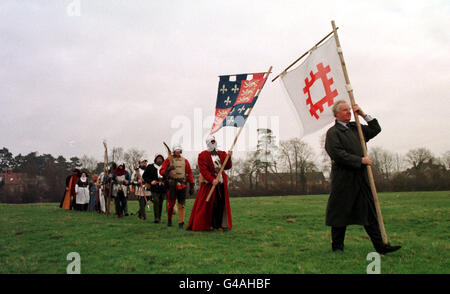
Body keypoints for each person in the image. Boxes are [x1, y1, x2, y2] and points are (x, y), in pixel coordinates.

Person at [324, 100, 401, 254]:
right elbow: (337, 154)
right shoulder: (333, 133)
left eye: (349, 110)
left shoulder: (356, 128)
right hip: (344, 180)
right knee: (340, 213)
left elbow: (375, 129)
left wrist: (363, 114)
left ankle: (381, 247)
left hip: (362, 179)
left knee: (370, 212)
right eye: (345, 110)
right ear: (337, 114)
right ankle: (337, 248)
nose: (349, 112)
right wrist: (360, 160)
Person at [186, 136, 233, 231]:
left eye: (214, 141)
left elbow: (227, 166)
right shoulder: (203, 155)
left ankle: (219, 225)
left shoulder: (222, 153)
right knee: (211, 204)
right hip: (209, 184)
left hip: (220, 183)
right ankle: (211, 224)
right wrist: (212, 180)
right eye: (211, 142)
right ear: (208, 143)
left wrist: (229, 157)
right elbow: (204, 170)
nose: (213, 143)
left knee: (220, 204)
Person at [160, 144, 194, 228]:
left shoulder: (185, 161)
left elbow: (189, 172)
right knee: (171, 204)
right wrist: (168, 169)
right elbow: (161, 171)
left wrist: (192, 184)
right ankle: (169, 219)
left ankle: (181, 222)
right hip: (171, 184)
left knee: (181, 204)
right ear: (174, 151)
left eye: (179, 150)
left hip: (182, 184)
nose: (178, 152)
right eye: (176, 151)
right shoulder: (168, 160)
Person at [147, 154, 167, 223]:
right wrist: (150, 181)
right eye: (158, 158)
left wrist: (166, 182)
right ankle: (156, 218)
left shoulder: (165, 167)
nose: (159, 160)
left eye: (161, 158)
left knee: (160, 202)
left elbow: (168, 176)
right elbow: (145, 176)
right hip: (154, 187)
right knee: (156, 201)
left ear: (163, 160)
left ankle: (159, 217)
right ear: (155, 159)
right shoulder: (150, 167)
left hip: (162, 187)